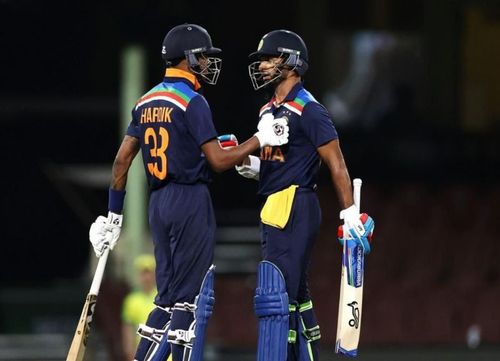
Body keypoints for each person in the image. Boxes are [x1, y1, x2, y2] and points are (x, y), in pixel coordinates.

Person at [88, 23, 289, 361]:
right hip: (188, 200)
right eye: (205, 57)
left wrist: (113, 214)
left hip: (158, 202)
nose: (208, 64)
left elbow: (122, 160)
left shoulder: (145, 101)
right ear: (189, 57)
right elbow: (219, 161)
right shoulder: (192, 101)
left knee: (165, 300)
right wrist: (259, 139)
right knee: (189, 302)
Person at [234, 29, 375, 361]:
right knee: (295, 296)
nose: (264, 66)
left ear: (292, 62)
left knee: (280, 298)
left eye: (270, 58)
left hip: (297, 204)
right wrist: (253, 166)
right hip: (274, 204)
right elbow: (280, 161)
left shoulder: (309, 109)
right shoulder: (267, 110)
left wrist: (350, 215)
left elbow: (336, 164)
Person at [121, 254, 157, 361]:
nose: (146, 277)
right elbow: (128, 330)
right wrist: (129, 352)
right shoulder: (131, 300)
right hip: (142, 354)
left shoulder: (164, 298)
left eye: (149, 273)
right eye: (143, 273)